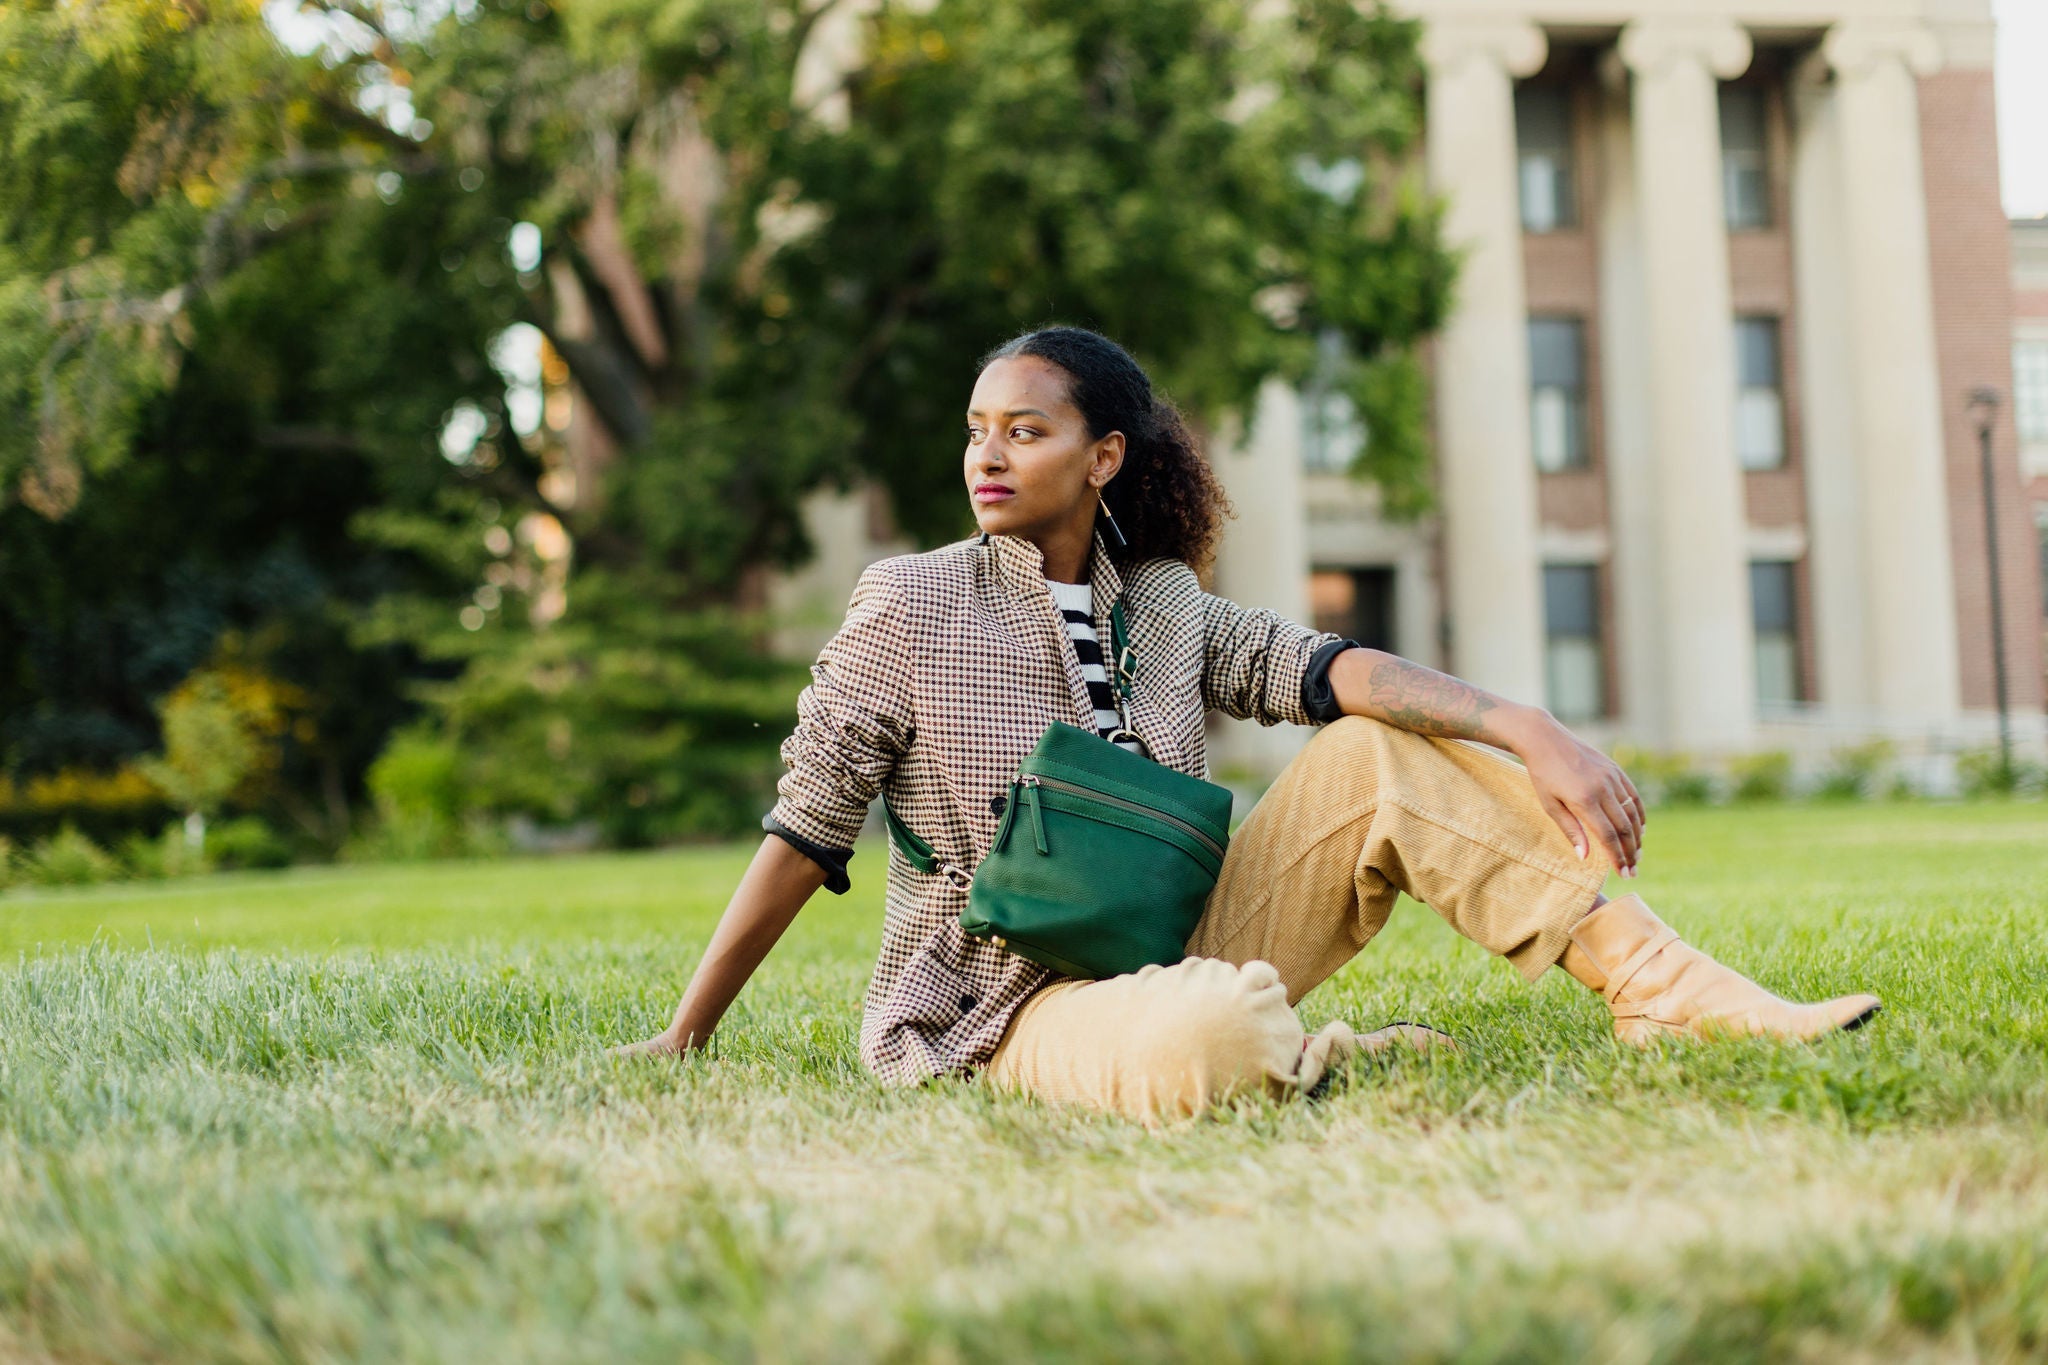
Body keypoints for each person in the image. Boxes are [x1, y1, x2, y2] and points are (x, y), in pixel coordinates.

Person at [618, 326, 1879, 1124]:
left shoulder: (1162, 605)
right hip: (1000, 1012)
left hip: (1181, 936)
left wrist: (1524, 723)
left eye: (1025, 430)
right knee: (1208, 1035)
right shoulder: (909, 603)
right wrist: (687, 1032)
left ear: (1103, 457)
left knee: (1374, 753)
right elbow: (807, 823)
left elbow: (1326, 670)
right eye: (975, 432)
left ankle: (1660, 991)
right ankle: (1318, 1050)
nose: (985, 456)